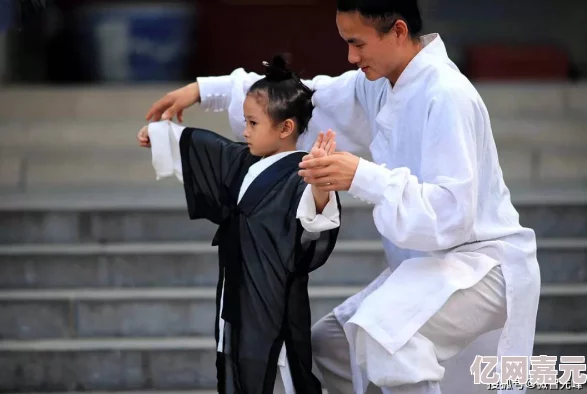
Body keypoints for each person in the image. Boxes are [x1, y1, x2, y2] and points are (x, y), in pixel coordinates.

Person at [144, 1, 541, 393]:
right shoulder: (381, 86)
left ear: (398, 31)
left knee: (386, 339)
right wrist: (205, 90)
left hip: (482, 262)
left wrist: (362, 176)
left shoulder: (447, 94)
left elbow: (453, 212)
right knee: (328, 351)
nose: (351, 57)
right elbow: (302, 99)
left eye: (358, 43)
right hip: (427, 268)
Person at [138, 55, 342, 394]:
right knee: (237, 368)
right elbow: (207, 147)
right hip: (238, 295)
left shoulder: (301, 175)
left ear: (285, 127)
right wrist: (161, 136)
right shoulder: (244, 162)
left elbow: (314, 230)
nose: (244, 131)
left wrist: (320, 187)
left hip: (275, 300)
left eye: (252, 123)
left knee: (281, 374)